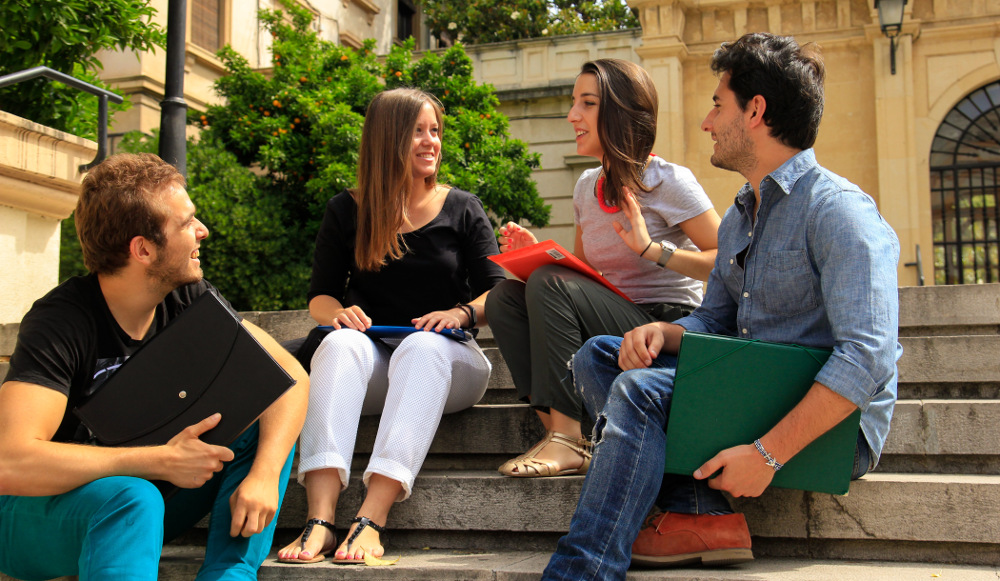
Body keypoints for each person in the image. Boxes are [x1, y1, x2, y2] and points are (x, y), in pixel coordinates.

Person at [541, 33, 902, 580]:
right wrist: (663, 331)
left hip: (828, 423)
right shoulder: (740, 215)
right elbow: (715, 320)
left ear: (755, 111)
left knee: (640, 391)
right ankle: (699, 512)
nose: (707, 121)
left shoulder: (840, 213)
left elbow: (868, 358)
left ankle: (582, 570)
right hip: (749, 382)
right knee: (601, 356)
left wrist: (768, 454)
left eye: (717, 104)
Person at [0, 153, 309, 581]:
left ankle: (229, 575)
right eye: (186, 223)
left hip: (147, 503)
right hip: (35, 519)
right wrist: (155, 461)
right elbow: (11, 462)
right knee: (132, 495)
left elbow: (288, 377)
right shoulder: (61, 322)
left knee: (253, 416)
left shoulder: (189, 298)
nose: (203, 231)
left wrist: (264, 473)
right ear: (143, 249)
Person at [277, 88, 505, 564]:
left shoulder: (463, 207)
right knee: (339, 345)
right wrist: (336, 314)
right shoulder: (347, 209)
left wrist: (461, 312)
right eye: (418, 131)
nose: (431, 142)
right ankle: (319, 520)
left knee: (422, 348)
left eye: (435, 131)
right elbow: (320, 294)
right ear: (387, 140)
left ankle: (371, 518)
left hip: (451, 361)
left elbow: (499, 292)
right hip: (376, 359)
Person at [485, 58, 720, 478]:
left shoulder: (668, 181)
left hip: (664, 325)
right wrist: (539, 254)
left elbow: (727, 261)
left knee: (549, 282)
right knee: (505, 298)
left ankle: (568, 439)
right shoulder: (585, 187)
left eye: (587, 103)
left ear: (621, 112)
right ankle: (565, 433)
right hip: (612, 318)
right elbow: (582, 274)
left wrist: (653, 250)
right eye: (574, 102)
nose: (573, 114)